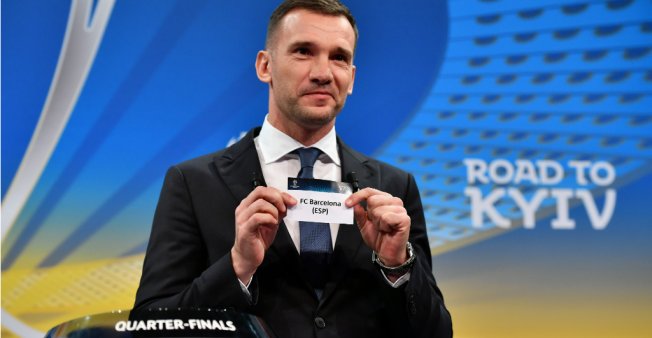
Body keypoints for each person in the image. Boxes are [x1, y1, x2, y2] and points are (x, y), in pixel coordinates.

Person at [134, 0, 452, 337]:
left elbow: (436, 333)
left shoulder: (394, 187)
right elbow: (150, 325)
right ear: (265, 66)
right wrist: (237, 267)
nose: (323, 73)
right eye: (303, 51)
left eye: (339, 58)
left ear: (352, 78)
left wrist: (396, 266)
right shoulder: (193, 183)